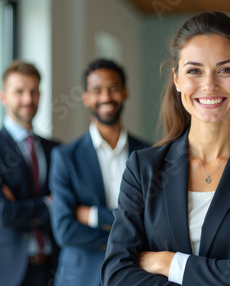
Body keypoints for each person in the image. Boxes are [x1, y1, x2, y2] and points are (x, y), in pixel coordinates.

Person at [101, 11, 230, 286]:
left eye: (225, 70)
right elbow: (116, 276)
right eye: (194, 70)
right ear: (177, 79)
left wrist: (168, 262)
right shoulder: (143, 168)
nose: (209, 85)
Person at [49, 58, 150, 286]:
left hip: (135, 275)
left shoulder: (149, 154)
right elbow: (65, 230)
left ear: (125, 92)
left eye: (113, 89)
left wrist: (92, 215)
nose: (106, 97)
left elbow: (154, 221)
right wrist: (128, 237)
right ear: (86, 97)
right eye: (97, 90)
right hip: (80, 277)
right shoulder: (65, 157)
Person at [0, 60, 60, 286]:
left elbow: (68, 206)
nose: (28, 99)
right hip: (8, 270)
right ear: (4, 97)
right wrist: (49, 204)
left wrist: (20, 206)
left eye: (33, 91)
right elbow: (2, 212)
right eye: (19, 92)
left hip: (54, 266)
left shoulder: (56, 149)